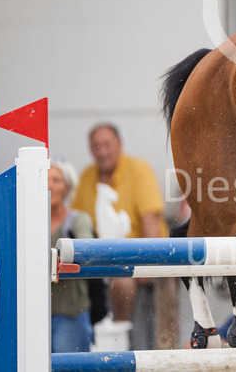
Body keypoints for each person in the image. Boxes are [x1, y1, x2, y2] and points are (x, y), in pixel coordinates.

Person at [70, 124, 168, 331]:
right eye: (96, 146)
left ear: (119, 144)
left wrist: (148, 264)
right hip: (100, 260)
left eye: (107, 145)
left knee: (123, 282)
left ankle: (118, 335)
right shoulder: (87, 176)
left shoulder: (139, 169)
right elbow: (76, 222)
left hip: (137, 256)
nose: (102, 151)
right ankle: (90, 339)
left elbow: (151, 220)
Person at [50, 159, 95, 353]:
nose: (49, 186)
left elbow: (87, 252)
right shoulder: (23, 221)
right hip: (31, 316)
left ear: (67, 188)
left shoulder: (78, 220)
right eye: (44, 179)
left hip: (70, 315)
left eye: (56, 180)